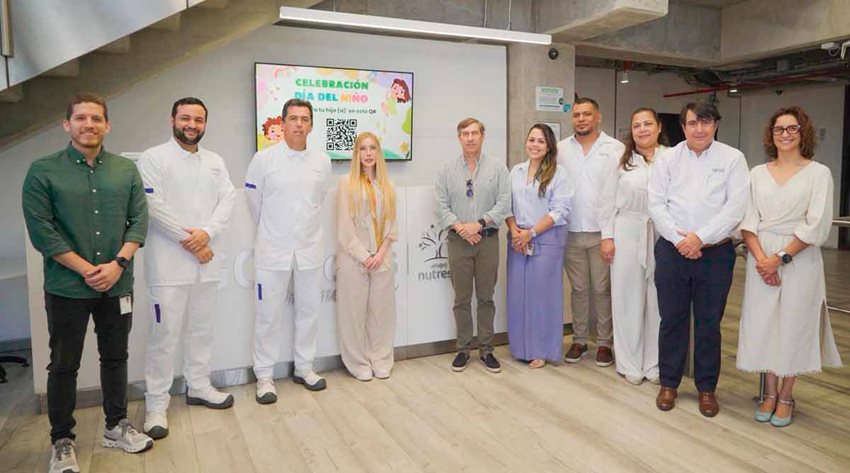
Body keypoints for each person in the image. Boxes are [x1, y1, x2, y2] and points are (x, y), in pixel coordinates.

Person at [22, 93, 153, 473]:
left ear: (107, 125)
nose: (89, 125)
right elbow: (42, 232)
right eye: (81, 118)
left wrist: (118, 263)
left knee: (116, 357)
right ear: (67, 125)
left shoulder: (125, 171)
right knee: (64, 363)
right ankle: (62, 440)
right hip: (67, 286)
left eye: (96, 118)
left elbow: (138, 221)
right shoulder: (43, 170)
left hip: (118, 282)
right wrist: (85, 269)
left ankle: (116, 425)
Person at [736, 106, 842, 427]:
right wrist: (762, 259)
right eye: (779, 129)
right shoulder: (756, 173)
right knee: (764, 323)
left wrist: (780, 258)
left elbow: (817, 224)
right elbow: (747, 221)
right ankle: (768, 392)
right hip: (760, 259)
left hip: (799, 258)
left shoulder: (818, 173)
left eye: (791, 129)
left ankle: (786, 395)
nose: (785, 134)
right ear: (771, 135)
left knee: (795, 324)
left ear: (802, 132)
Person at [138, 97, 236, 440]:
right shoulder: (153, 158)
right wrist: (194, 240)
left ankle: (198, 385)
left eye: (198, 119)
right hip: (169, 266)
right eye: (185, 118)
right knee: (165, 337)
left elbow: (228, 200)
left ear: (205, 124)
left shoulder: (215, 161)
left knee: (201, 330)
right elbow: (154, 205)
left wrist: (207, 233)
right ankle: (156, 405)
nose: (192, 124)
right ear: (172, 120)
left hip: (206, 263)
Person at [648, 101, 750, 417]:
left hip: (715, 253)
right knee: (672, 320)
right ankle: (669, 383)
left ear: (715, 125)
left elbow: (735, 207)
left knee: (709, 323)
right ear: (683, 126)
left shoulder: (733, 159)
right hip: (672, 251)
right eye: (693, 123)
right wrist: (681, 241)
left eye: (706, 122)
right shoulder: (666, 159)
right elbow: (656, 204)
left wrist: (700, 238)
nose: (699, 129)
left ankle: (707, 389)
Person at [245, 98, 332, 403]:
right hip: (272, 251)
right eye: (293, 118)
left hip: (309, 250)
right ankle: (265, 376)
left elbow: (318, 201)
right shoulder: (263, 160)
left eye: (304, 119)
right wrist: (274, 231)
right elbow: (253, 202)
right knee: (268, 316)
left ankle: (305, 367)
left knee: (309, 312)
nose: (298, 124)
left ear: (311, 125)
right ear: (281, 123)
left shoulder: (322, 161)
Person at [434, 117, 511, 373]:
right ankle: (464, 349)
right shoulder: (446, 170)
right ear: (459, 138)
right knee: (462, 298)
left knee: (486, 298)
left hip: (487, 239)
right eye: (465, 133)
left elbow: (504, 203)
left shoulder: (498, 168)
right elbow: (441, 206)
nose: (470, 138)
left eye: (474, 133)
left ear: (482, 136)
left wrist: (478, 224)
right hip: (458, 241)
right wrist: (462, 228)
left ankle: (487, 350)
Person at [598, 108, 667, 385]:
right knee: (627, 298)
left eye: (647, 123)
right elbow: (605, 200)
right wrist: (607, 236)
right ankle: (629, 362)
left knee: (657, 300)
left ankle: (653, 362)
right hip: (626, 230)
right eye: (636, 125)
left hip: (663, 233)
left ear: (659, 127)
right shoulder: (620, 160)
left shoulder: (672, 158)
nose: (642, 129)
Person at [557, 97, 625, 366]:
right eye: (576, 115)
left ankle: (605, 343)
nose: (581, 119)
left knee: (602, 289)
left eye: (587, 114)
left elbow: (619, 192)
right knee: (579, 289)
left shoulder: (616, 148)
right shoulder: (561, 149)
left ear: (598, 117)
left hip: (602, 232)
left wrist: (610, 235)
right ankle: (579, 339)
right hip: (570, 231)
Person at [505, 124, 572, 368]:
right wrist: (515, 232)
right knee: (519, 295)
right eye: (531, 139)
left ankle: (542, 349)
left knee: (543, 296)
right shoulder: (516, 170)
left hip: (546, 237)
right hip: (517, 238)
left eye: (541, 141)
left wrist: (531, 233)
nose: (534, 145)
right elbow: (506, 205)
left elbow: (560, 210)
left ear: (549, 146)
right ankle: (521, 347)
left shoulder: (559, 174)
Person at [336, 132, 398, 381]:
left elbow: (392, 225)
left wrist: (380, 253)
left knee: (381, 313)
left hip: (381, 258)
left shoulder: (387, 185)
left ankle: (381, 358)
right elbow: (344, 227)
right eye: (363, 148)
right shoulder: (345, 183)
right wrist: (364, 255)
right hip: (353, 259)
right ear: (356, 153)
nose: (369, 153)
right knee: (353, 314)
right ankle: (357, 361)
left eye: (373, 148)